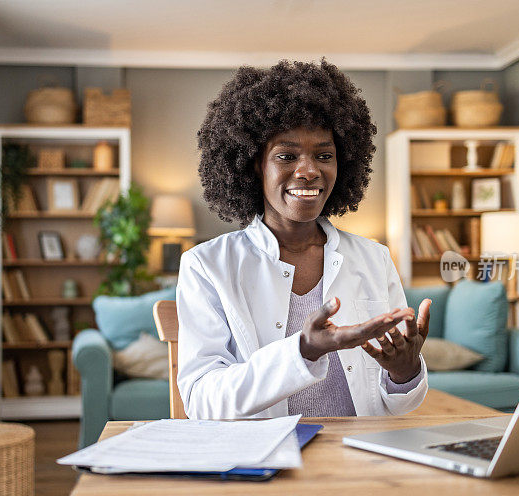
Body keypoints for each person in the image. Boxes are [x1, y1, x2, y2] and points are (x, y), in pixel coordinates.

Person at [176, 58, 431, 420]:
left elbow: (397, 406)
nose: (309, 171)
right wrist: (303, 350)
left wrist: (404, 373)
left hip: (360, 459)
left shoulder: (375, 259)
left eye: (324, 155)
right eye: (287, 155)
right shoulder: (207, 266)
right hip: (264, 461)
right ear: (254, 164)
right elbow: (203, 400)